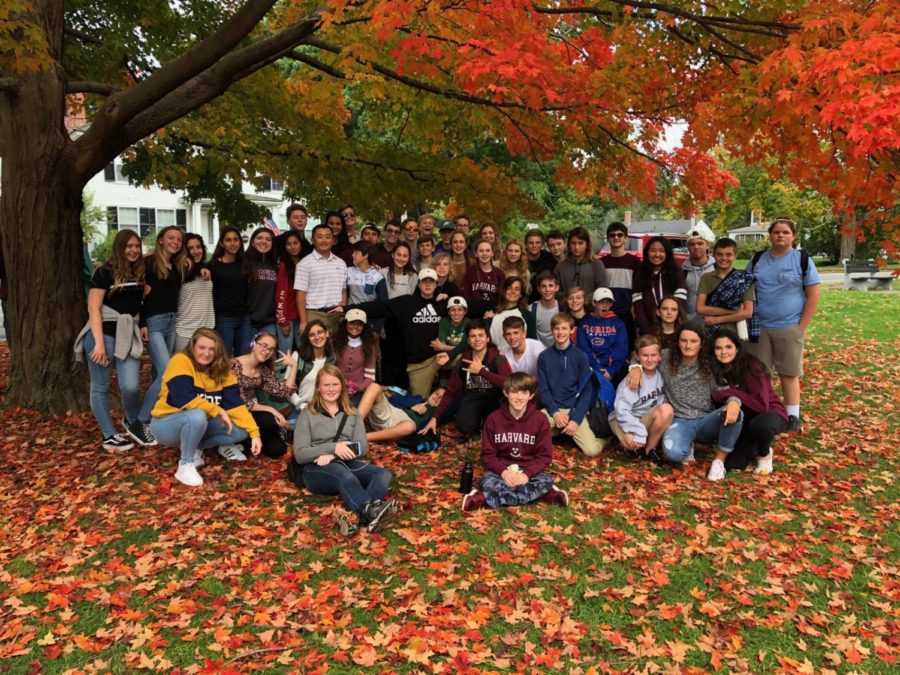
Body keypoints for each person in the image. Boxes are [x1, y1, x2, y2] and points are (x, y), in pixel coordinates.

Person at [294, 366, 399, 535]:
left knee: (383, 474)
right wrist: (333, 447)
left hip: (347, 462)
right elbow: (300, 454)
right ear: (318, 388)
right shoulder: (308, 414)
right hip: (315, 468)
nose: (331, 389)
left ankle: (358, 517)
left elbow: (362, 447)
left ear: (342, 386)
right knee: (343, 475)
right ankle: (370, 510)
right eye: (326, 385)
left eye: (335, 384)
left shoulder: (353, 413)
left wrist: (334, 454)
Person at [150, 328, 262, 486]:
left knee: (240, 430)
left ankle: (195, 447)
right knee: (197, 415)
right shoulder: (180, 360)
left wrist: (254, 433)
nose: (207, 353)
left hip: (198, 423)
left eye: (212, 349)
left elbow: (235, 405)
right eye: (202, 348)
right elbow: (184, 398)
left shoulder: (223, 371)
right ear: (193, 347)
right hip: (165, 424)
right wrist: (218, 410)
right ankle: (185, 464)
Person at [73, 229, 147, 452]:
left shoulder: (141, 272)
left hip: (127, 335)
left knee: (131, 386)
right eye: (129, 246)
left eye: (136, 246)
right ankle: (109, 435)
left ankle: (132, 422)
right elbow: (93, 308)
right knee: (100, 386)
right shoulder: (104, 273)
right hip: (102, 335)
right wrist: (98, 343)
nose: (133, 250)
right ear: (120, 247)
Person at [745, 218, 820, 433]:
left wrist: (801, 327)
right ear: (770, 235)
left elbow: (813, 295)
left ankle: (792, 416)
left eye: (785, 232)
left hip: (788, 325)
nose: (780, 235)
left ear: (793, 235)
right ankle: (762, 410)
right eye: (776, 232)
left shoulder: (802, 260)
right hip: (759, 325)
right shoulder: (758, 259)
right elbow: (745, 286)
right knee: (758, 372)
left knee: (789, 372)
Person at [642, 323, 744, 481]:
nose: (688, 345)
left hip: (706, 420)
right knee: (673, 453)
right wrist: (634, 367)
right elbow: (642, 355)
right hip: (680, 421)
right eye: (683, 340)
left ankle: (719, 461)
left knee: (735, 413)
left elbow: (726, 390)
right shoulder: (666, 358)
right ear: (678, 341)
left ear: (701, 343)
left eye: (693, 341)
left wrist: (734, 402)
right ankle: (687, 444)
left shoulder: (709, 364)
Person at [462, 372, 569, 511]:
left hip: (529, 471)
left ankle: (484, 499)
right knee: (487, 482)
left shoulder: (540, 419)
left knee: (546, 480)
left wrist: (526, 474)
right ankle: (547, 495)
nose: (519, 397)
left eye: (524, 392)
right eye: (514, 392)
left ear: (530, 395)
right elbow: (488, 455)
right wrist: (504, 473)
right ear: (506, 393)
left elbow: (544, 456)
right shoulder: (493, 419)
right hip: (501, 472)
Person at [352, 268, 448, 398]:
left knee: (466, 356)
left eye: (431, 282)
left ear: (436, 285)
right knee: (418, 401)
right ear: (418, 284)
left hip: (441, 355)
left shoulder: (443, 303)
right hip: (420, 364)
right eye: (424, 281)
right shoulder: (407, 302)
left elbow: (468, 308)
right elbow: (380, 307)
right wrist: (347, 309)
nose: (427, 285)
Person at [135, 226, 188, 446]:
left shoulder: (176, 267)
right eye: (171, 238)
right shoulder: (148, 264)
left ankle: (158, 415)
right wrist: (143, 322)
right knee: (168, 372)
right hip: (154, 323)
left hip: (171, 322)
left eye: (178, 239)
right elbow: (138, 295)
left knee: (159, 371)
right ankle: (140, 420)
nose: (175, 242)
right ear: (160, 241)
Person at [710, 330, 786, 475]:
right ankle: (753, 444)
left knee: (760, 426)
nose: (723, 352)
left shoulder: (752, 365)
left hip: (770, 413)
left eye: (728, 347)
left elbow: (761, 405)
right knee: (733, 465)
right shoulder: (715, 369)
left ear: (737, 348)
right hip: (743, 420)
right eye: (718, 348)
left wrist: (727, 394)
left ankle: (764, 453)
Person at [423, 320, 513, 439]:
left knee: (497, 428)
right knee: (464, 426)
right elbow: (451, 392)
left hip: (494, 398)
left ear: (487, 339)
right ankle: (477, 425)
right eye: (473, 336)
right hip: (472, 398)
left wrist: (482, 372)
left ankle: (487, 422)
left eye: (481, 335)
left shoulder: (498, 358)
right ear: (469, 341)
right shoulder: (463, 362)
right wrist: (435, 418)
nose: (477, 339)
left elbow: (509, 384)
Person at [537, 312, 605, 457]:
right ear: (551, 330)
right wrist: (555, 412)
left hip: (573, 409)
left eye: (564, 328)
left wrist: (576, 419)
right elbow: (543, 389)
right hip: (552, 410)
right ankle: (559, 431)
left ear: (572, 330)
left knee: (591, 451)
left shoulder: (580, 356)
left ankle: (606, 439)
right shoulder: (544, 357)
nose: (560, 332)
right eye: (556, 328)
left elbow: (586, 391)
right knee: (532, 435)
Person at [231, 331, 299, 459]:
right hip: (233, 412)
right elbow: (240, 401)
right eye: (264, 345)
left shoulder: (262, 370)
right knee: (268, 418)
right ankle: (240, 440)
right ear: (254, 344)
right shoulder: (234, 365)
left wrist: (293, 366)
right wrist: (271, 409)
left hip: (251, 412)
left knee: (277, 450)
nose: (266, 351)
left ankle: (250, 439)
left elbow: (284, 391)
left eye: (271, 349)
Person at [610, 335, 672, 459]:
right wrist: (640, 432)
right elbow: (621, 411)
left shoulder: (662, 374)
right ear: (637, 357)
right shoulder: (633, 379)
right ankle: (627, 442)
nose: (649, 359)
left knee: (666, 409)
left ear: (660, 357)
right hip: (622, 417)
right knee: (631, 442)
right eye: (645, 355)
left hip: (644, 417)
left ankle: (650, 449)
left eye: (653, 355)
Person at [294, 223, 348, 335]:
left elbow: (343, 291)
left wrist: (342, 313)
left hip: (336, 315)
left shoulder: (341, 263)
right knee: (316, 349)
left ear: (333, 240)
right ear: (313, 240)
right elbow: (301, 294)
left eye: (328, 237)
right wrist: (304, 321)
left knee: (336, 349)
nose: (324, 240)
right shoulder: (304, 263)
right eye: (320, 237)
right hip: (314, 314)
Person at [696, 237, 755, 338]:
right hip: (710, 332)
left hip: (734, 332)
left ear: (735, 256)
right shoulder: (706, 277)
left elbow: (748, 312)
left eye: (728, 254)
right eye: (719, 254)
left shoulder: (744, 278)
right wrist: (733, 311)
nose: (724, 258)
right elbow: (700, 308)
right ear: (713, 255)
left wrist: (717, 319)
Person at [209, 226, 251, 357]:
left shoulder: (244, 263)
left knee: (243, 357)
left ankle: (239, 379)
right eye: (228, 240)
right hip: (224, 318)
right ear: (222, 243)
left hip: (244, 318)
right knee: (223, 356)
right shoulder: (214, 265)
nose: (232, 243)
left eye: (235, 240)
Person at [632, 236, 687, 336]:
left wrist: (671, 329)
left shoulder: (676, 272)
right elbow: (638, 308)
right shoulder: (640, 273)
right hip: (648, 331)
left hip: (673, 330)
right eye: (653, 250)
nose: (657, 254)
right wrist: (648, 331)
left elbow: (680, 303)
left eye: (661, 251)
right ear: (647, 252)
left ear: (667, 253)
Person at [332, 310, 382, 418]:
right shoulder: (335, 342)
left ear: (364, 327)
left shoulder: (369, 346)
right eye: (352, 323)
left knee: (350, 416)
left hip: (357, 393)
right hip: (335, 389)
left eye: (359, 324)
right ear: (346, 323)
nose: (355, 327)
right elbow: (330, 367)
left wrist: (358, 387)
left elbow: (370, 377)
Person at [601, 221, 640, 351]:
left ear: (626, 238)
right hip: (606, 312)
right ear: (608, 238)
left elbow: (638, 289)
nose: (616, 237)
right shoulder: (602, 263)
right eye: (612, 235)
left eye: (620, 235)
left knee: (627, 348)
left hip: (627, 313)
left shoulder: (634, 262)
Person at [577, 287, 628, 384]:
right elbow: (584, 349)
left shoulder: (618, 323)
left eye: (608, 302)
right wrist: (598, 369)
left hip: (614, 370)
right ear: (594, 303)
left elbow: (621, 349)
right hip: (591, 367)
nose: (605, 305)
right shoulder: (584, 322)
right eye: (601, 302)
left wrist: (611, 371)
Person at [175, 233, 215, 353]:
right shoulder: (179, 270)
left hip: (207, 329)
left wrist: (201, 269)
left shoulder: (207, 269)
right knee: (183, 368)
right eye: (190, 248)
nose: (196, 251)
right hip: (185, 331)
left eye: (198, 247)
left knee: (204, 370)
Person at [554, 227, 608, 301]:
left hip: (591, 310)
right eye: (573, 243)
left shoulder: (597, 265)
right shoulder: (560, 267)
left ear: (587, 245)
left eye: (580, 243)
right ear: (569, 245)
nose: (576, 247)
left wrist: (583, 299)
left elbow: (602, 291)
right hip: (566, 310)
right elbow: (555, 292)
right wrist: (570, 297)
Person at [487, 276, 536, 352]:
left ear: (521, 294)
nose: (513, 291)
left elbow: (532, 342)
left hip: (520, 360)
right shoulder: (492, 315)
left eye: (517, 289)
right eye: (509, 288)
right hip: (498, 361)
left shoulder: (527, 316)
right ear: (504, 291)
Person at [245, 227, 279, 335]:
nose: (264, 241)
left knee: (268, 352)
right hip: (247, 322)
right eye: (259, 238)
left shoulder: (275, 265)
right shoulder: (244, 263)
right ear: (252, 242)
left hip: (269, 323)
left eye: (268, 239)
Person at [275, 231, 304, 354]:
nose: (293, 247)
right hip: (287, 316)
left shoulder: (305, 262)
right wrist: (283, 320)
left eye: (296, 243)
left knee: (303, 351)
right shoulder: (283, 265)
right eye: (289, 244)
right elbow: (281, 293)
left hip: (302, 316)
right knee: (285, 353)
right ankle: (282, 374)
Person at [462, 239, 504, 318]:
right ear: (476, 253)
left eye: (487, 250)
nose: (484, 254)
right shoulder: (470, 271)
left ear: (492, 253)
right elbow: (466, 297)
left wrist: (495, 313)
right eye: (481, 251)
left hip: (492, 316)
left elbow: (501, 299)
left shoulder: (499, 273)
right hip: (474, 316)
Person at [682, 227, 716, 319]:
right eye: (692, 244)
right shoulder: (682, 272)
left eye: (700, 243)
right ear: (687, 247)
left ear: (707, 245)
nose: (696, 247)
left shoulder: (717, 269)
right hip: (690, 322)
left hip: (713, 321)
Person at [433, 296, 470, 373]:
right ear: (448, 312)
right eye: (453, 310)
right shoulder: (444, 322)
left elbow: (468, 347)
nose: (456, 313)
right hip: (447, 356)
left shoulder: (469, 323)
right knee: (440, 356)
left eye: (460, 310)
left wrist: (443, 347)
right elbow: (439, 346)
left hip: (462, 357)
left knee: (462, 356)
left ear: (465, 312)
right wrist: (442, 347)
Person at [525, 229, 557, 302]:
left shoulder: (550, 259)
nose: (534, 245)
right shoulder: (520, 259)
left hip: (545, 301)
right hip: (524, 301)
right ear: (526, 244)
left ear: (542, 244)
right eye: (531, 243)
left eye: (537, 242)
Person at [530, 271, 559, 347]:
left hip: (560, 351)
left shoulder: (562, 307)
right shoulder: (531, 309)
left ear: (557, 288)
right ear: (539, 289)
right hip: (539, 353)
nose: (547, 290)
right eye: (544, 286)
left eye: (551, 286)